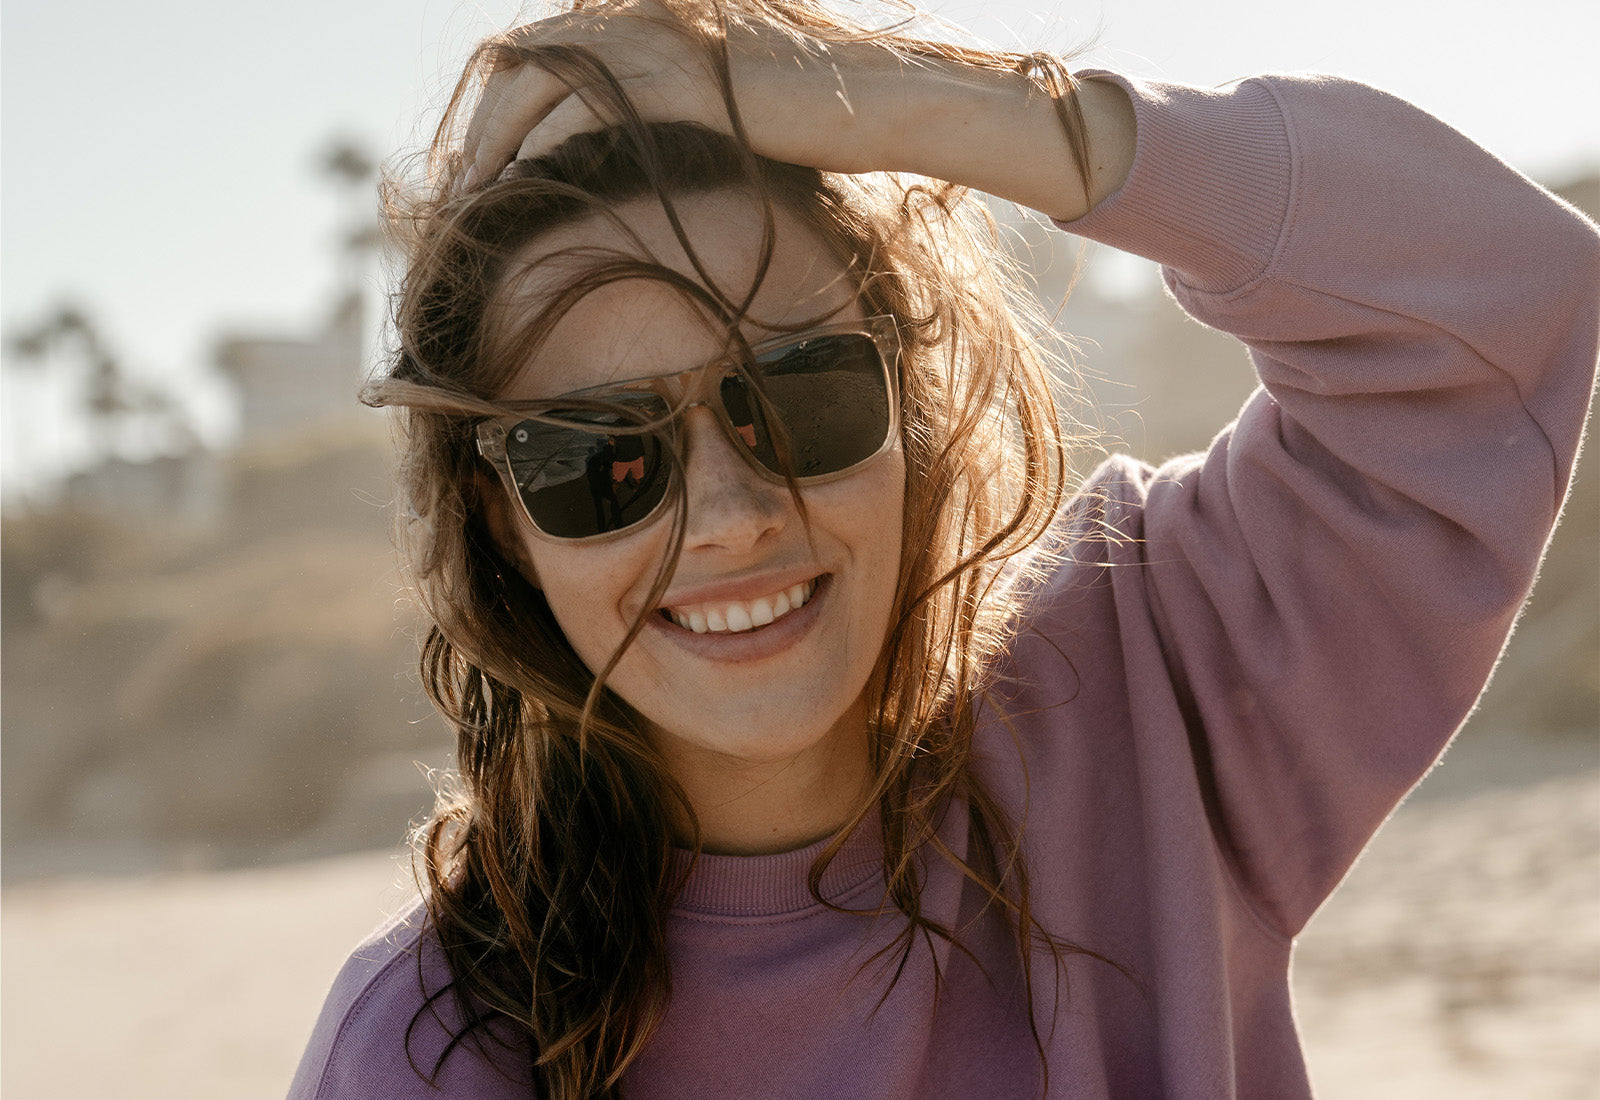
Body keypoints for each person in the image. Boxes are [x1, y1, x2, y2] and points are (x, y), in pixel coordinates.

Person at [288, 1, 1600, 1096]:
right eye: (599, 460)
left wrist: (913, 103)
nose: (735, 514)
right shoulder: (433, 1049)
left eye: (803, 395)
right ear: (502, 522)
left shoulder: (1147, 669)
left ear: (914, 408)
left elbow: (1507, 290)